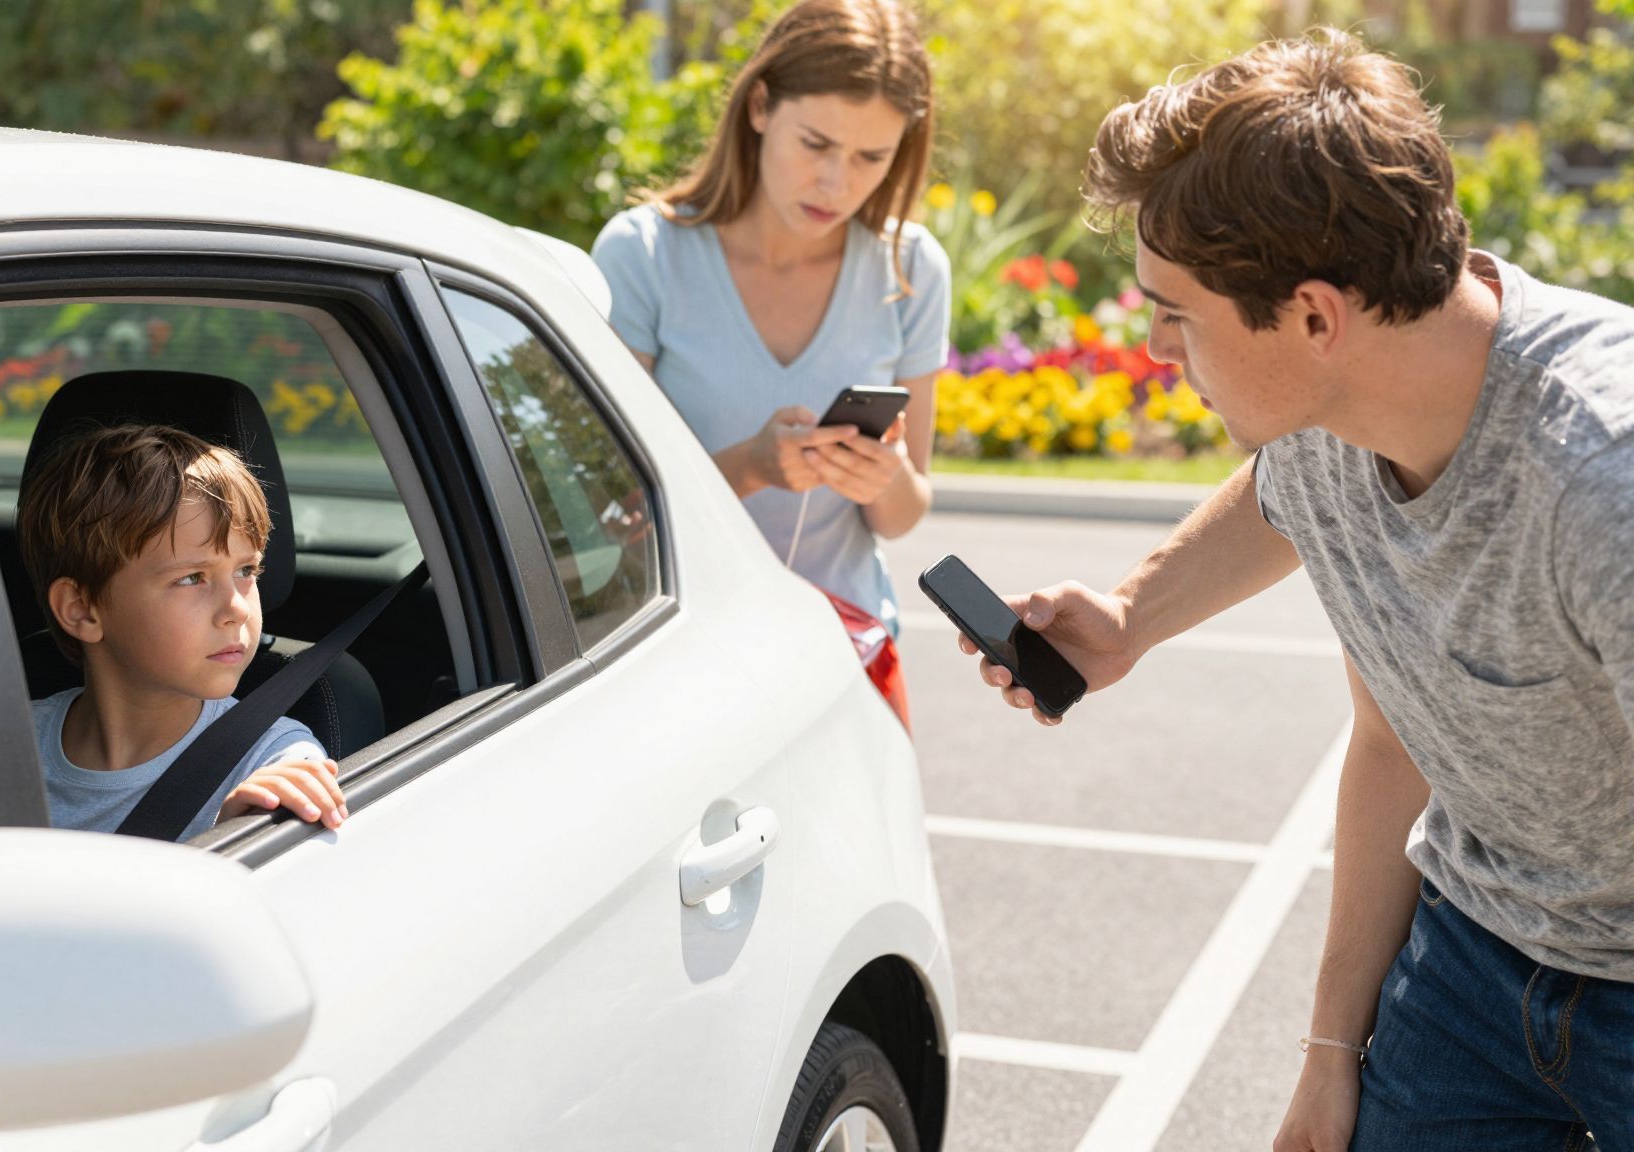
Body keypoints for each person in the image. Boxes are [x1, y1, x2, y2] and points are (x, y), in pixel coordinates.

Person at [955, 29, 1634, 1151]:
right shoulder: (1332, 413)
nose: (1159, 346)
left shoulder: (1600, 486)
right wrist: (1129, 619)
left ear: (1315, 316)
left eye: (1173, 313)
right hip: (1475, 955)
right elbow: (1384, 733)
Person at [591, 0, 949, 645]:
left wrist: (885, 478)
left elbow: (903, 515)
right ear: (759, 107)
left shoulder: (913, 267)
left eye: (872, 157)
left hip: (846, 652)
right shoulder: (643, 255)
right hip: (681, 652)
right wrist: (750, 468)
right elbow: (612, 513)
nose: (836, 183)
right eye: (816, 144)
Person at [18, 422, 349, 839]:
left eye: (247, 570)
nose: (236, 609)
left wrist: (237, 833)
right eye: (193, 578)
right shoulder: (3, 751)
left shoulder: (271, 762)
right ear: (82, 610)